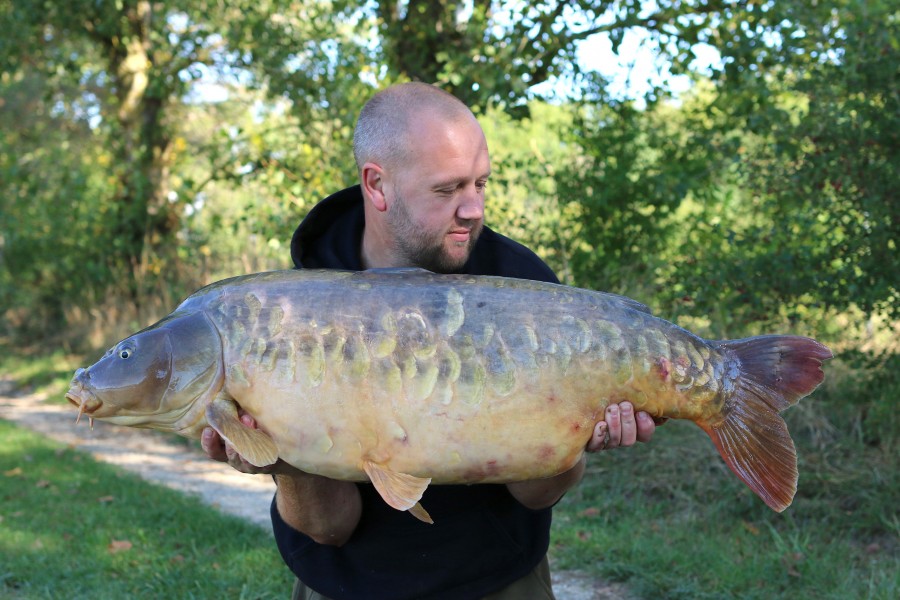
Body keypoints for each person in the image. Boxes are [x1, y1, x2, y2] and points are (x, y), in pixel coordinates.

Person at [201, 82, 659, 600]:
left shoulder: (525, 289)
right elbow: (330, 527)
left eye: (480, 186)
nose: (474, 210)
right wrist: (277, 458)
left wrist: (577, 439)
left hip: (498, 579)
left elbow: (536, 496)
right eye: (447, 191)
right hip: (344, 584)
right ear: (377, 185)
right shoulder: (294, 310)